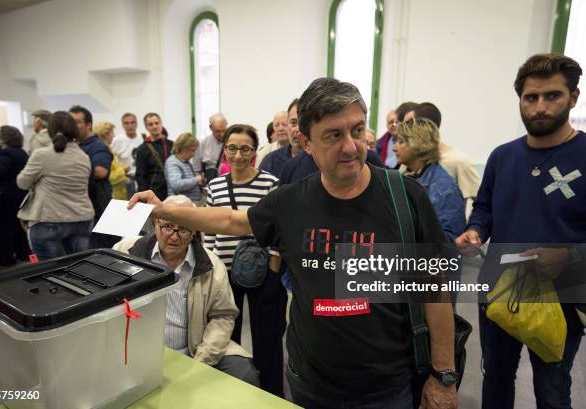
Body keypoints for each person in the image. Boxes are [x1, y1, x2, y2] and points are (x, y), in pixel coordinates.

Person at [129, 78, 457, 409]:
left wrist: (444, 376)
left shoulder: (405, 197)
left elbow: (434, 291)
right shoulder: (291, 201)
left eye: (357, 131)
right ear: (306, 142)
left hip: (387, 388)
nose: (350, 146)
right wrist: (163, 209)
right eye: (333, 135)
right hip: (311, 384)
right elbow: (232, 221)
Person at [456, 53, 586, 409]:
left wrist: (570, 255)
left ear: (573, 97)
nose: (540, 107)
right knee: (496, 376)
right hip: (500, 286)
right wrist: (476, 230)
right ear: (521, 100)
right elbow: (484, 208)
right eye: (531, 98)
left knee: (552, 386)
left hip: (561, 295)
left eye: (552, 96)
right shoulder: (503, 157)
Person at [113, 194, 259, 386]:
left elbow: (223, 316)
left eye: (183, 229)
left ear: (194, 231)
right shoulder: (127, 250)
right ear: (155, 223)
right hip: (137, 349)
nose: (174, 236)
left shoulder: (212, 266)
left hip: (194, 348)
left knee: (244, 374)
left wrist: (201, 359)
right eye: (167, 226)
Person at [204, 123, 284, 396]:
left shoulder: (270, 183)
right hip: (225, 271)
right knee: (227, 335)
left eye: (245, 149)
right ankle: (233, 392)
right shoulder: (215, 185)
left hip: (263, 272)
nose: (238, 155)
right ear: (224, 150)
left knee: (267, 337)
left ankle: (270, 394)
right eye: (232, 148)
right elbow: (209, 230)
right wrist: (211, 265)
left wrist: (274, 266)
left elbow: (278, 228)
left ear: (254, 150)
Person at [17, 111, 94, 260]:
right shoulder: (84, 157)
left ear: (50, 130)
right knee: (79, 269)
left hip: (49, 219)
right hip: (82, 219)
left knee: (48, 272)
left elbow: (22, 182)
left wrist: (37, 182)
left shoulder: (41, 155)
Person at [394, 118, 465, 242]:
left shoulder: (443, 188)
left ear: (418, 145)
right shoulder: (410, 176)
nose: (394, 148)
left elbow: (451, 241)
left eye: (401, 142)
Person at [403, 102, 480, 217]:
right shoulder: (410, 158)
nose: (404, 129)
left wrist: (472, 227)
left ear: (425, 126)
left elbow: (481, 201)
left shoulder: (458, 161)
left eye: (409, 124)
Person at [70, 105, 114, 248]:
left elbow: (100, 172)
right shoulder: (74, 145)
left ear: (88, 125)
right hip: (79, 209)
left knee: (99, 255)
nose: (73, 126)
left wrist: (67, 171)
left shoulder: (98, 146)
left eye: (77, 122)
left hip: (97, 210)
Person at [0, 126, 30, 267]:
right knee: (19, 229)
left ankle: (6, 260)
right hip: (22, 196)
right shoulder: (22, 152)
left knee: (4, 230)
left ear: (4, 138)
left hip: (7, 197)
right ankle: (24, 253)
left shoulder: (5, 154)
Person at [260, 99, 302, 178]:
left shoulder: (323, 159)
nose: (297, 129)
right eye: (293, 123)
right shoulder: (270, 161)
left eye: (302, 122)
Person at [135, 112, 173, 200]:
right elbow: (140, 176)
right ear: (146, 127)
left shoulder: (171, 144)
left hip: (172, 191)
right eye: (150, 124)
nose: (155, 126)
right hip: (154, 194)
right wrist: (144, 197)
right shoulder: (142, 149)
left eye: (157, 123)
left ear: (161, 124)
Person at [165, 132, 204, 203]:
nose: (194, 154)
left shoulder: (186, 161)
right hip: (180, 207)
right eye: (192, 150)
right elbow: (176, 185)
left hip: (190, 205)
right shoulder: (172, 162)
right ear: (182, 148)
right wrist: (197, 179)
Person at [94, 122, 128, 200]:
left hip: (117, 196)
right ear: (104, 134)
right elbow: (107, 176)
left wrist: (122, 166)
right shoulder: (101, 153)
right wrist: (123, 171)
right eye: (112, 132)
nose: (114, 135)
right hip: (110, 196)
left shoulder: (109, 149)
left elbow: (113, 167)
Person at [112, 113, 141, 197]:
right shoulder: (117, 140)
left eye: (132, 122)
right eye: (126, 123)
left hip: (141, 180)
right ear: (122, 125)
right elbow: (112, 161)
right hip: (125, 181)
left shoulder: (143, 138)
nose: (130, 126)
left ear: (136, 124)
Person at [193, 113, 228, 183]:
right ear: (210, 127)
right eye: (218, 131)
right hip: (211, 182)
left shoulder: (231, 141)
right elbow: (197, 169)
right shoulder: (203, 143)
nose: (221, 134)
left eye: (224, 130)